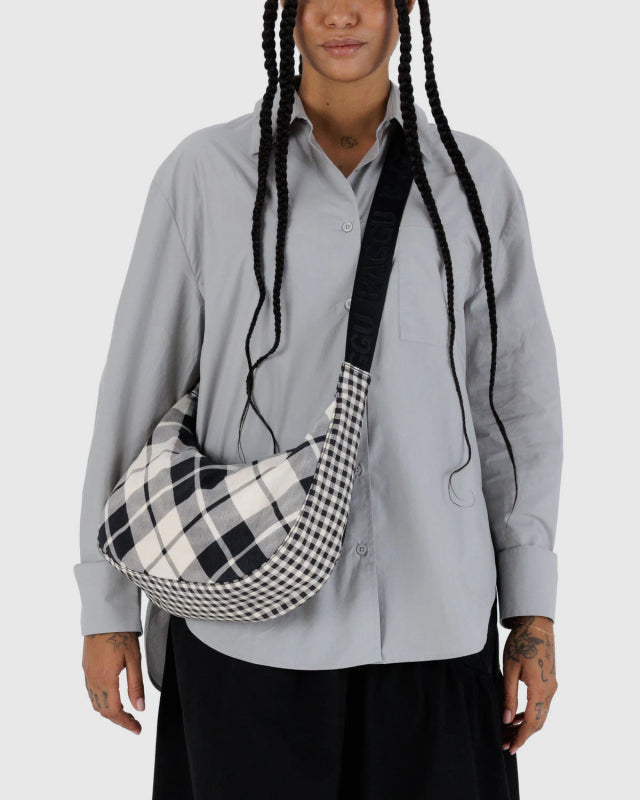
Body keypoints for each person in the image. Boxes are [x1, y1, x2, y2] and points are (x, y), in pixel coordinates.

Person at [74, 1, 563, 798]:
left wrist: (532, 615)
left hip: (435, 622)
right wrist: (106, 607)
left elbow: (513, 404)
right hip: (244, 627)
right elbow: (138, 388)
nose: (341, 12)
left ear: (405, 7)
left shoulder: (473, 181)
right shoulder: (205, 173)